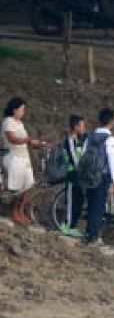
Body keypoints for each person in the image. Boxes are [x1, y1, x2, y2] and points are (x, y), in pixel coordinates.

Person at [2, 97, 48, 226]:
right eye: (22, 110)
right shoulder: (8, 122)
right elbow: (13, 139)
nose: (23, 112)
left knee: (28, 186)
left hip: (24, 157)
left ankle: (20, 211)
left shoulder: (20, 124)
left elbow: (26, 140)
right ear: (15, 109)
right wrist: (28, 140)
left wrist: (37, 143)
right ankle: (13, 211)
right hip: (13, 157)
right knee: (17, 188)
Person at [83, 108, 114, 246]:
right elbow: (112, 160)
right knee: (99, 207)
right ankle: (94, 236)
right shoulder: (109, 139)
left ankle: (89, 232)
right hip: (102, 175)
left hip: (89, 175)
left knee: (91, 203)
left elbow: (84, 154)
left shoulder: (90, 136)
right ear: (111, 122)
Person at [59, 114, 88, 235]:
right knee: (71, 201)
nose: (84, 128)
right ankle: (67, 226)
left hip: (79, 175)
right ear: (76, 127)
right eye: (82, 126)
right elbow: (73, 158)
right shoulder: (70, 139)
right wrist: (80, 169)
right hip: (72, 174)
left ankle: (73, 226)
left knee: (79, 200)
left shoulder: (78, 140)